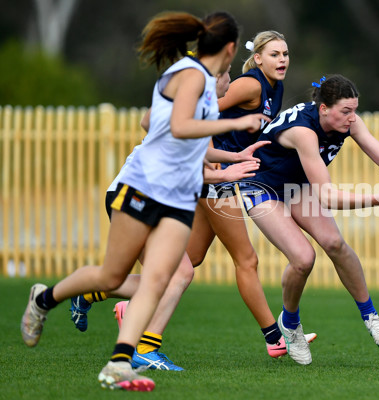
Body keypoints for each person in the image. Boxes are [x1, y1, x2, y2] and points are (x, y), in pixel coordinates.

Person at [20, 11, 270, 391]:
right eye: (233, 67)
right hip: (141, 188)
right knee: (112, 276)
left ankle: (120, 363)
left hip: (176, 197)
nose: (233, 77)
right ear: (231, 48)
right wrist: (236, 124)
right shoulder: (191, 75)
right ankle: (44, 297)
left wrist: (232, 161)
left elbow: (195, 147)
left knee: (166, 277)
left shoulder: (203, 85)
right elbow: (178, 127)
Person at [68, 31, 315, 370]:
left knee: (188, 261)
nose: (283, 59)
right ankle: (275, 337)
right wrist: (209, 157)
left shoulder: (273, 87)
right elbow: (197, 119)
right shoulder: (250, 85)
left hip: (213, 176)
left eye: (286, 53)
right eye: (275, 54)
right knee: (245, 260)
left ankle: (97, 293)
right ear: (257, 58)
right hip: (203, 181)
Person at [239, 74, 379, 365]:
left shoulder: (349, 121)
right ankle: (291, 325)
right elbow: (327, 196)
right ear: (324, 108)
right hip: (261, 186)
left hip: (295, 184)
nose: (352, 118)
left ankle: (370, 315)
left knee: (334, 242)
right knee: (303, 257)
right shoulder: (304, 132)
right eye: (346, 111)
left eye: (355, 110)